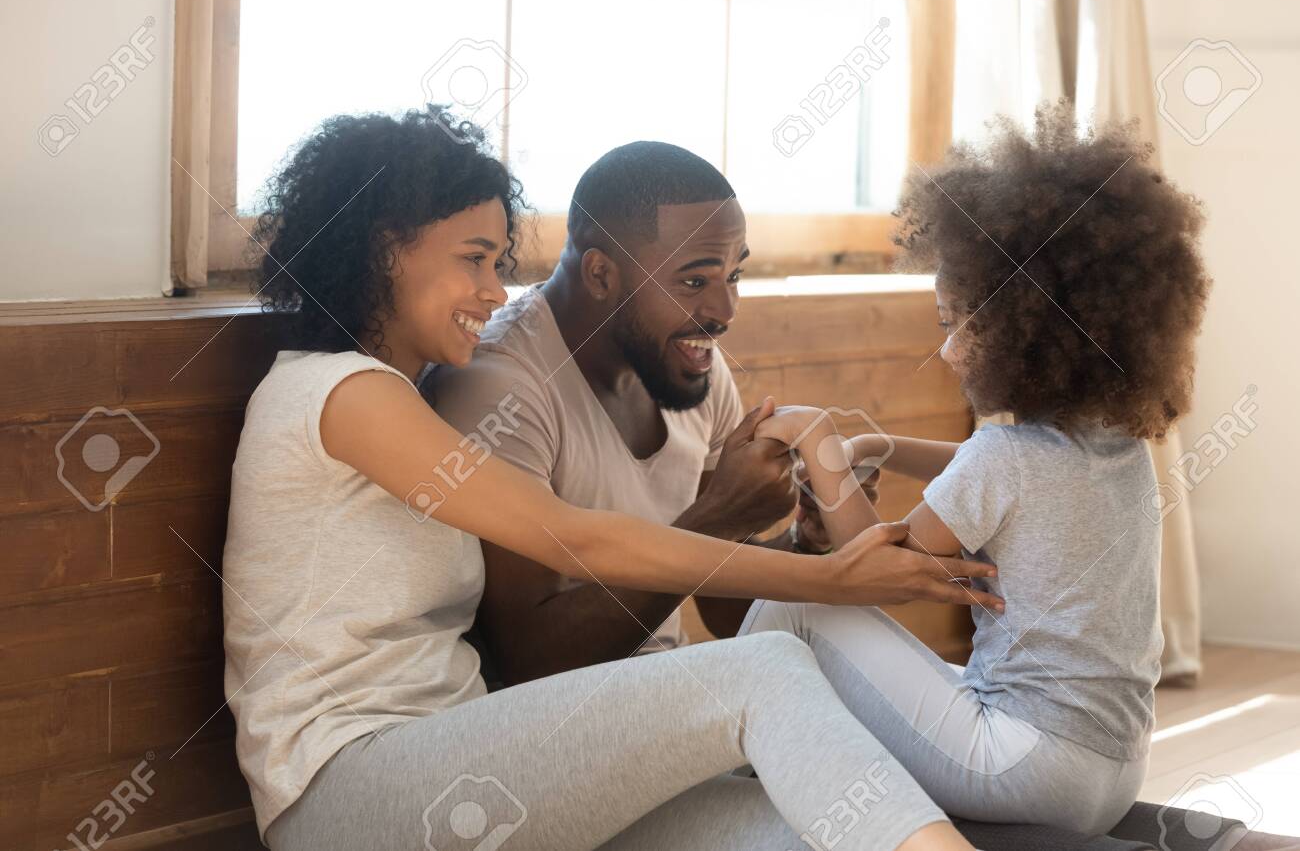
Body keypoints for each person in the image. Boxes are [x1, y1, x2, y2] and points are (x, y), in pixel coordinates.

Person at [221, 106, 999, 851]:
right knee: (765, 673)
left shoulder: (403, 396)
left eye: (500, 263)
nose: (495, 290)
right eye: (473, 260)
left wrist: (815, 555)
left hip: (472, 760)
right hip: (350, 793)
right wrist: (838, 580)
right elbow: (578, 540)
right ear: (383, 248)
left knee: (793, 828)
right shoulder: (339, 393)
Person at [746, 102, 1211, 836]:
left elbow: (879, 572)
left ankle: (743, 794)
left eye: (954, 326)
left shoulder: (1004, 457)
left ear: (1027, 332)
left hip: (1024, 766)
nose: (946, 351)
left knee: (790, 611)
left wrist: (820, 444)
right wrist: (879, 448)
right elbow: (997, 480)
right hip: (1114, 772)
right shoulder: (1116, 449)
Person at [428, 141, 887, 684]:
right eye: (695, 282)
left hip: (664, 695)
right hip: (544, 730)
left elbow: (722, 609)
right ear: (600, 275)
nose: (723, 312)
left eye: (733, 275)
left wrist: (805, 542)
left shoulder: (691, 365)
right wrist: (717, 516)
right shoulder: (501, 390)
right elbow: (524, 660)